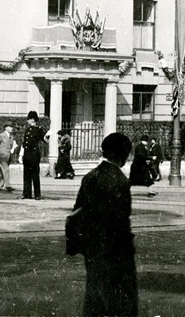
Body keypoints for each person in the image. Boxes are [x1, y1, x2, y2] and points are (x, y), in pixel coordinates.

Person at [73, 132, 138, 317]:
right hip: (115, 252)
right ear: (123, 155)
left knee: (95, 300)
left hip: (93, 248)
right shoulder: (120, 181)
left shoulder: (90, 176)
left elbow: (78, 211)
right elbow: (121, 220)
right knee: (120, 303)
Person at [18, 111, 45, 200]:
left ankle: (37, 194)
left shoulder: (39, 129)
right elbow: (24, 143)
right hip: (27, 154)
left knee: (35, 175)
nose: (27, 120)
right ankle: (26, 194)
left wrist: (47, 137)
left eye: (29, 119)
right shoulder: (27, 129)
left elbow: (43, 139)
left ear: (33, 119)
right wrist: (21, 155)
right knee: (26, 175)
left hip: (34, 154)